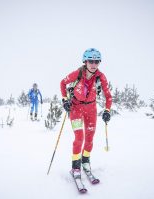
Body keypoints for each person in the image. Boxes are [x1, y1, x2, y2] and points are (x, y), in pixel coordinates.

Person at [60, 48, 112, 179]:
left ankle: (85, 162)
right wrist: (65, 100)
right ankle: (75, 167)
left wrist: (107, 110)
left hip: (91, 110)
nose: (94, 64)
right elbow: (62, 83)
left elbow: (108, 96)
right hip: (76, 108)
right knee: (79, 138)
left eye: (96, 61)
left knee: (89, 138)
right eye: (91, 61)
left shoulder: (101, 77)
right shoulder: (77, 73)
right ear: (85, 61)